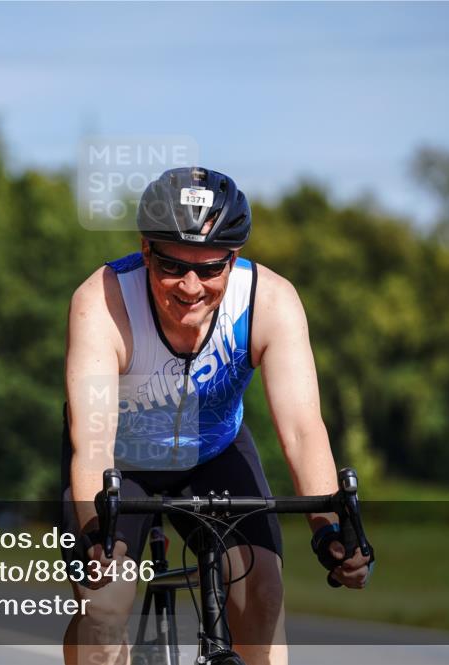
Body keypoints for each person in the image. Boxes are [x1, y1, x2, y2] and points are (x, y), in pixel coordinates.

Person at [61, 167, 373, 665]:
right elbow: (93, 443)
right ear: (145, 251)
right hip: (119, 462)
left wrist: (331, 532)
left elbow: (301, 430)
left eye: (209, 269)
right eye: (171, 265)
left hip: (214, 451)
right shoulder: (102, 301)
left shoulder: (269, 300)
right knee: (104, 609)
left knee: (263, 598)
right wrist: (98, 538)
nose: (190, 287)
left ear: (234, 258)